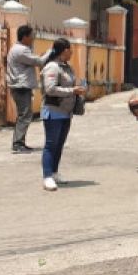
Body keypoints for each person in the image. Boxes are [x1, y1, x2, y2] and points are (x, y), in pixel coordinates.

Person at [40, 37, 87, 191]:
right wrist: (71, 91)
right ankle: (47, 176)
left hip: (66, 112)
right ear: (64, 50)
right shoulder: (52, 67)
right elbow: (50, 89)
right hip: (54, 111)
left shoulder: (67, 67)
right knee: (51, 145)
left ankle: (54, 172)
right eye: (70, 49)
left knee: (59, 145)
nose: (72, 52)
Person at [6, 24, 46, 154]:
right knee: (25, 114)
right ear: (25, 37)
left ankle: (20, 142)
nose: (33, 38)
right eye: (31, 36)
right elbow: (38, 61)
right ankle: (18, 143)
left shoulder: (21, 48)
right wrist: (51, 52)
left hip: (21, 86)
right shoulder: (21, 50)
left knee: (25, 114)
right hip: (21, 86)